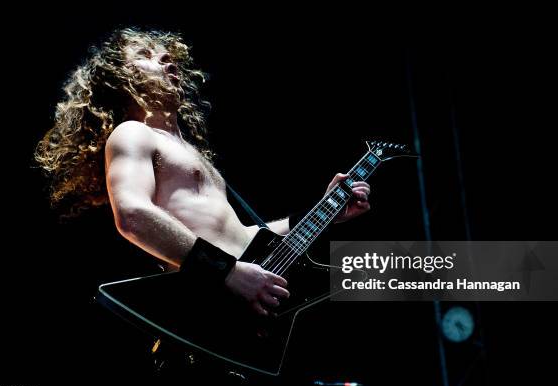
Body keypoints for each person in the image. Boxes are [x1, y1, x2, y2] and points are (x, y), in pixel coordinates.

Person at [35, 27, 371, 317]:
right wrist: (226, 273)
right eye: (146, 54)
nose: (166, 58)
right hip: (208, 311)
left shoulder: (193, 154)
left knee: (392, 274)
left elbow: (245, 239)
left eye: (166, 54)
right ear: (119, 78)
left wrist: (325, 210)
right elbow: (133, 214)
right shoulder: (133, 133)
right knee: (392, 272)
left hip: (244, 307)